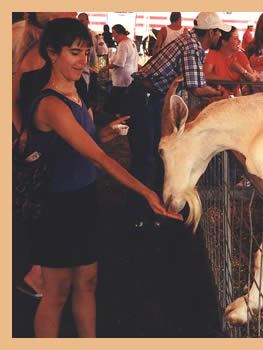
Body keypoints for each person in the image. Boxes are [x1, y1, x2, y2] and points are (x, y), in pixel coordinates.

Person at [28, 18, 181, 338]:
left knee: (87, 283)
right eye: (74, 53)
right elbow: (96, 157)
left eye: (85, 53)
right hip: (58, 206)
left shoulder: (77, 91)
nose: (83, 60)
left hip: (84, 198)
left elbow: (83, 144)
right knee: (56, 293)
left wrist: (102, 134)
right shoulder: (50, 103)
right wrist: (147, 193)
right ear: (52, 54)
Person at [126, 12, 231, 228]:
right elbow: (196, 87)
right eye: (219, 32)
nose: (221, 36)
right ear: (211, 32)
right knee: (146, 156)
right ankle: (137, 214)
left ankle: (152, 211)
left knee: (155, 154)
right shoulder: (192, 46)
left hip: (151, 96)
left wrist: (213, 91)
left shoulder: (190, 42)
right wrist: (219, 94)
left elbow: (195, 82)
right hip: (146, 97)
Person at [12, 12, 79, 299]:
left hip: (46, 139)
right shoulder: (37, 54)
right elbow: (13, 98)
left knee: (49, 206)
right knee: (49, 206)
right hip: (43, 141)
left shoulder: (36, 50)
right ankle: (37, 275)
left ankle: (40, 273)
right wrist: (23, 134)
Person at [204, 26, 256, 96]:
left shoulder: (240, 55)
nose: (239, 41)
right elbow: (206, 75)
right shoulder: (214, 53)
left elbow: (253, 78)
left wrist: (241, 70)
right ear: (224, 42)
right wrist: (227, 80)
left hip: (235, 97)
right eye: (235, 38)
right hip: (217, 96)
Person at [99, 24, 139, 117]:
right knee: (124, 103)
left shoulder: (123, 44)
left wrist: (105, 68)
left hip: (122, 79)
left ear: (119, 33)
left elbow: (119, 63)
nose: (112, 35)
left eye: (113, 33)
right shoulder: (130, 42)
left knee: (117, 105)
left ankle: (117, 121)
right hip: (129, 77)